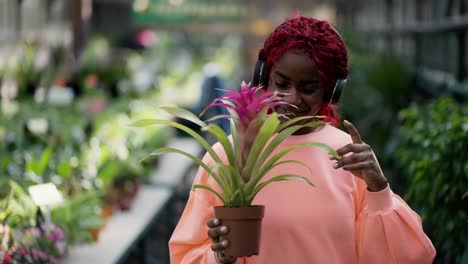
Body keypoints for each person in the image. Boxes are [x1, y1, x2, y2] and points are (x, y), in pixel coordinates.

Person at [169, 16, 436, 264]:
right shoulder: (228, 155)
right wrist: (218, 257)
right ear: (264, 78)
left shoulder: (349, 156)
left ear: (332, 91)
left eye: (308, 88)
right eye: (281, 84)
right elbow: (185, 254)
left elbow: (405, 257)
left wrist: (379, 190)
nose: (292, 98)